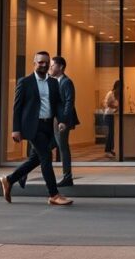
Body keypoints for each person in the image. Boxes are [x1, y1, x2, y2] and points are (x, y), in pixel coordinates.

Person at [0, 51, 73, 206]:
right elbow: (17, 108)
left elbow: (58, 104)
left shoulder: (53, 83)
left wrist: (62, 120)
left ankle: (9, 180)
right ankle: (54, 194)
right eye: (40, 62)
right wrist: (16, 129)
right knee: (46, 157)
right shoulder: (25, 82)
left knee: (35, 159)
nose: (44, 65)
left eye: (46, 62)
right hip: (33, 126)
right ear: (34, 63)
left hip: (48, 125)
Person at [49, 55, 78, 187]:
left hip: (61, 121)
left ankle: (67, 177)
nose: (50, 68)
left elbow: (69, 102)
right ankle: (24, 172)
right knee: (44, 147)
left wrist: (64, 121)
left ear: (60, 67)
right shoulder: (53, 81)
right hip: (53, 120)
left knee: (62, 147)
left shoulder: (66, 82)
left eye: (52, 65)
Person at [102, 80, 120, 158]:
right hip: (108, 115)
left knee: (113, 133)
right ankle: (107, 150)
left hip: (113, 115)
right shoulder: (111, 93)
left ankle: (111, 149)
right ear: (117, 86)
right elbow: (108, 104)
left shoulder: (117, 94)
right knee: (110, 133)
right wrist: (116, 107)